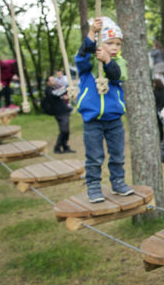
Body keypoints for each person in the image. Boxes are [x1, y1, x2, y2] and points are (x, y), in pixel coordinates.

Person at [75, 17, 134, 203]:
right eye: (109, 43)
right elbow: (82, 54)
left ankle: (118, 182)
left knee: (117, 154)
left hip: (114, 119)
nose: (115, 47)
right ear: (100, 43)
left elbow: (117, 75)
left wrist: (108, 59)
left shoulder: (119, 62)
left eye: (118, 43)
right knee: (94, 156)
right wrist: (92, 32)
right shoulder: (90, 64)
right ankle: (93, 186)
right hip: (92, 120)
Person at [43, 75, 74, 154]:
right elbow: (56, 94)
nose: (54, 81)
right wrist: (67, 87)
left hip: (64, 111)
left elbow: (58, 96)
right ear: (48, 82)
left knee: (66, 131)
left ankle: (65, 147)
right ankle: (57, 147)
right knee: (64, 131)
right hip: (59, 113)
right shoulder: (48, 90)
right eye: (52, 80)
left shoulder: (54, 89)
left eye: (54, 79)